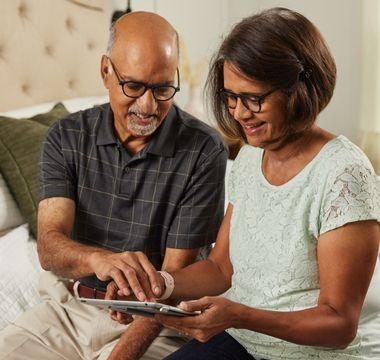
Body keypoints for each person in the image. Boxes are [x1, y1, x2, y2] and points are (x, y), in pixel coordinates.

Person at [112, 7, 380, 360]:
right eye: (231, 97)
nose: (238, 113)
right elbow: (221, 267)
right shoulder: (250, 157)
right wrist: (158, 287)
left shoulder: (344, 173)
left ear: (300, 89)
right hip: (239, 342)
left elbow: (339, 324)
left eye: (254, 98)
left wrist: (240, 315)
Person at [0, 11, 227, 360]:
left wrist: (122, 355)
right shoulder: (64, 137)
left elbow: (174, 278)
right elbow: (49, 247)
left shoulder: (203, 150)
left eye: (163, 88)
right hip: (66, 309)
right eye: (134, 86)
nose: (148, 106)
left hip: (156, 319)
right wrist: (98, 259)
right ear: (106, 70)